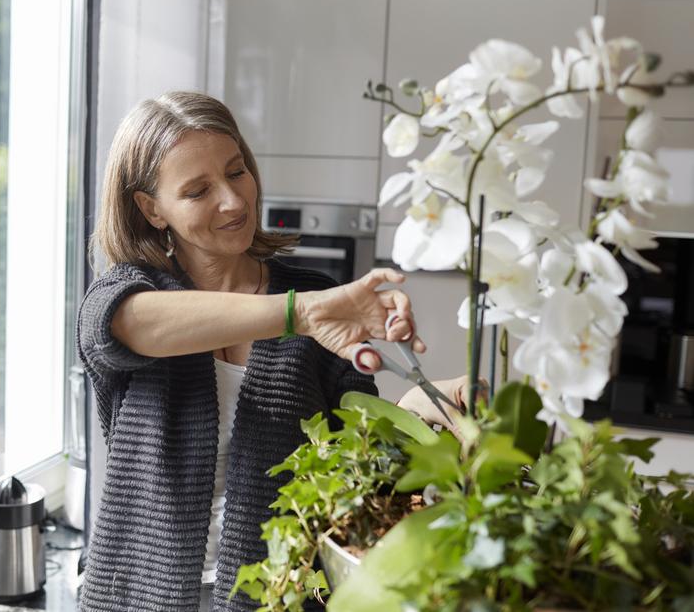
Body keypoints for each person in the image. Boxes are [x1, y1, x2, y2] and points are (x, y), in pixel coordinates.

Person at [76, 91, 469, 612]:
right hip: (137, 597)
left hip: (279, 596)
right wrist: (300, 314)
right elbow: (127, 324)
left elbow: (354, 454)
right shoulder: (125, 297)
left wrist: (428, 404)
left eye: (236, 172)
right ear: (152, 209)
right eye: (198, 191)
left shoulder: (313, 292)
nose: (234, 201)